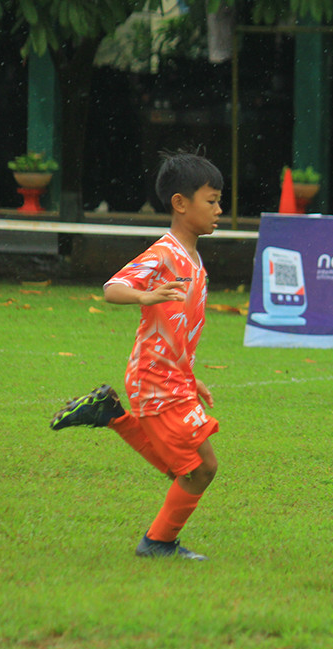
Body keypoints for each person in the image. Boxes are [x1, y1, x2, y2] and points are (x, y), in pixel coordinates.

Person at [49, 150, 224, 560]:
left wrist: (189, 374)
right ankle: (157, 542)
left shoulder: (194, 259)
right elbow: (112, 288)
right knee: (199, 469)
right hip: (153, 379)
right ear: (181, 203)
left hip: (172, 378)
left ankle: (110, 413)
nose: (219, 210)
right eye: (212, 200)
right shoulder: (165, 254)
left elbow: (179, 331)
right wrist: (145, 293)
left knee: (192, 468)